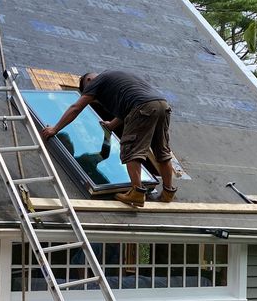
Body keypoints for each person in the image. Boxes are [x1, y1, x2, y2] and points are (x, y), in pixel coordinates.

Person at [41, 69, 176, 208]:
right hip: (162, 105)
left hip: (143, 107)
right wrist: (111, 125)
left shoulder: (96, 81)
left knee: (132, 149)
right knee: (162, 151)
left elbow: (76, 107)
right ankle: (167, 193)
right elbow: (127, 109)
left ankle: (137, 192)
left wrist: (55, 128)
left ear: (88, 81)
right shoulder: (117, 79)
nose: (94, 98)